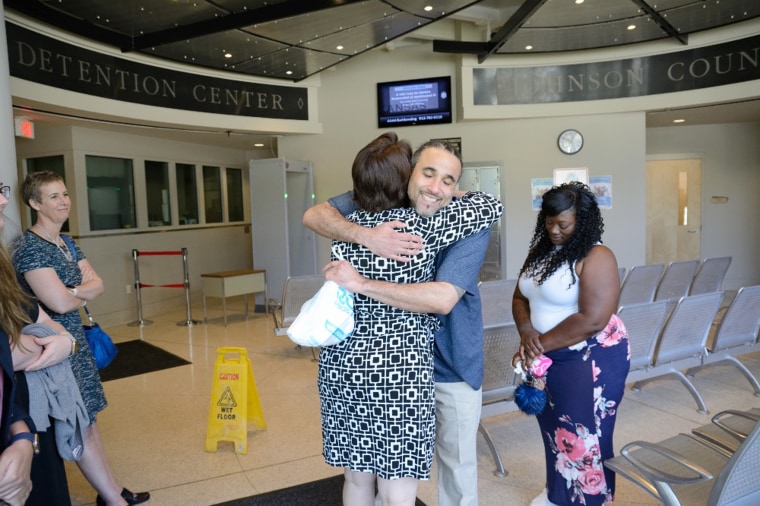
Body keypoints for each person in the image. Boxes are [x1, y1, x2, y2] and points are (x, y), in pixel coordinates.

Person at [314, 133, 502, 505]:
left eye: (448, 180)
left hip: (364, 364)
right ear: (406, 178)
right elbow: (492, 204)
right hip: (403, 372)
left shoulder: (351, 225)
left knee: (360, 477)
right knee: (398, 486)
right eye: (428, 174)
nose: (436, 187)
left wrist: (360, 273)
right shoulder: (425, 227)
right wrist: (366, 238)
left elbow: (445, 298)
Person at [11, 171, 150, 506]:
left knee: (91, 419)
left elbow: (98, 284)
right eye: (54, 196)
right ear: (34, 203)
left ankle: (112, 491)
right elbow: (58, 303)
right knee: (80, 424)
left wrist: (72, 292)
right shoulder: (29, 247)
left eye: (65, 194)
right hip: (55, 348)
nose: (64, 202)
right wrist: (79, 293)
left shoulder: (67, 242)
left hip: (77, 342)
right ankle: (114, 500)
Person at [511, 182, 630, 506]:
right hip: (550, 355)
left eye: (563, 224)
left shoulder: (597, 255)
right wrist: (526, 331)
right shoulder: (542, 251)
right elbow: (521, 295)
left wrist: (537, 345)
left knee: (586, 433)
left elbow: (592, 319)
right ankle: (559, 494)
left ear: (583, 221)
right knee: (557, 430)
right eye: (548, 221)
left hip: (590, 357)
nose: (553, 229)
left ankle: (591, 500)